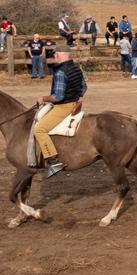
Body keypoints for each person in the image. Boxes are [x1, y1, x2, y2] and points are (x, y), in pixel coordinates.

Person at [33, 44, 87, 178]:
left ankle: (53, 161)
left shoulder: (61, 71)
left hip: (64, 107)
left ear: (62, 55)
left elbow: (58, 97)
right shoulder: (76, 68)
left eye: (56, 54)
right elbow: (84, 88)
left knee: (39, 129)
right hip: (75, 104)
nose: (55, 56)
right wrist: (75, 94)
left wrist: (43, 98)